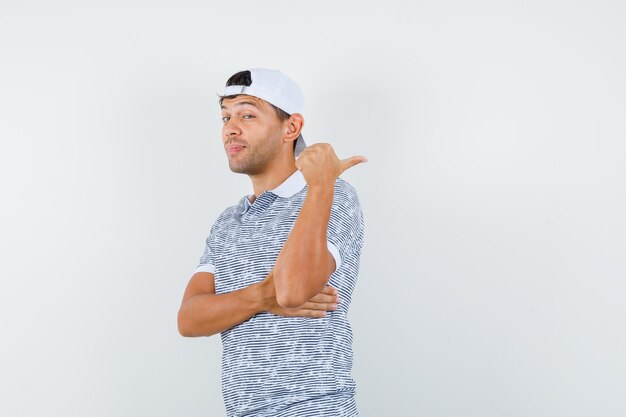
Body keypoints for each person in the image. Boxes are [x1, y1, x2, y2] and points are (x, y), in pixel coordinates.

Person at [177, 68, 366, 417]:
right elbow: (190, 318)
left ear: (291, 128)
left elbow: (293, 291)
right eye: (226, 117)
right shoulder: (228, 223)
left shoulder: (334, 196)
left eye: (248, 115)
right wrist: (264, 296)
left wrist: (321, 184)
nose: (231, 128)